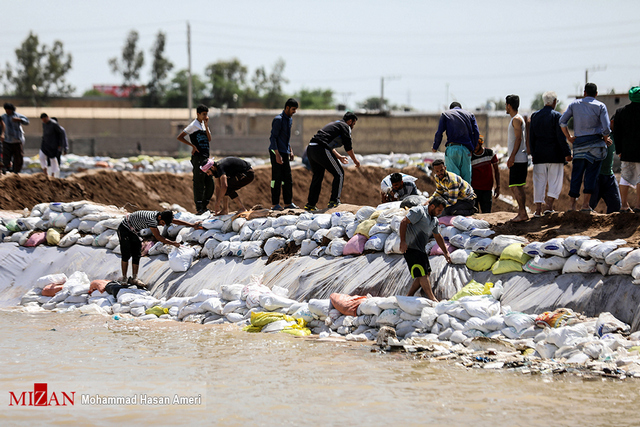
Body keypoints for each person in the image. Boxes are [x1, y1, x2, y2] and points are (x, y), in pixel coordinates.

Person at [560, 83, 611, 212]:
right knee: (591, 175)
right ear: (596, 94)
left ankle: (572, 205)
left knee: (576, 174)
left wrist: (569, 137)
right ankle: (585, 205)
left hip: (579, 146)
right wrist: (606, 139)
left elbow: (562, 121)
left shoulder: (574, 105)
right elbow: (606, 128)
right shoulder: (601, 106)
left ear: (584, 93)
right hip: (595, 144)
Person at [117, 210, 200, 288]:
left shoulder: (162, 216)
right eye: (163, 223)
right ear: (159, 218)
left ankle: (134, 279)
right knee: (126, 254)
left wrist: (192, 225)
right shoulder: (152, 220)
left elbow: (176, 221)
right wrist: (173, 243)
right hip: (125, 229)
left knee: (136, 253)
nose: (163, 225)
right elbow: (158, 237)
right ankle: (124, 278)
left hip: (134, 231)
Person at [304, 112, 361, 211]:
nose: (353, 127)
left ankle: (310, 205)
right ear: (350, 121)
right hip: (321, 149)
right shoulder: (345, 126)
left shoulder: (336, 124)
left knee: (317, 176)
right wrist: (355, 161)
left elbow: (326, 142)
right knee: (339, 173)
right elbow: (348, 146)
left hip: (311, 148)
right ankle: (334, 201)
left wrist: (339, 157)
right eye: (353, 124)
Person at [399, 196, 451, 302]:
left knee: (426, 273)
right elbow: (403, 222)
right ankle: (432, 299)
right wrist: (403, 241)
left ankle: (409, 297)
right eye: (439, 210)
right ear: (432, 206)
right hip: (411, 248)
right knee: (422, 274)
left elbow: (437, 236)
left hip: (421, 250)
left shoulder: (434, 220)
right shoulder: (419, 211)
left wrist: (446, 252)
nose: (440, 213)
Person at [529, 91, 572, 217]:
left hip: (539, 155)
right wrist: (567, 153)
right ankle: (549, 207)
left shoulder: (535, 116)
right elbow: (561, 137)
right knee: (555, 181)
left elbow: (531, 138)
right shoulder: (557, 116)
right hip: (555, 155)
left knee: (539, 182)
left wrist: (534, 154)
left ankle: (538, 210)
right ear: (554, 102)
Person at [177, 105, 213, 214]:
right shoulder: (193, 125)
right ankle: (199, 208)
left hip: (206, 157)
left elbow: (209, 139)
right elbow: (180, 137)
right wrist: (192, 146)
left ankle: (204, 205)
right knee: (199, 182)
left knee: (210, 183)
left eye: (206, 114)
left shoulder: (203, 125)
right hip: (198, 157)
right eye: (204, 114)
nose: (206, 116)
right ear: (198, 114)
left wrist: (206, 126)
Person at [432, 102, 480, 184]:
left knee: (453, 181)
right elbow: (476, 132)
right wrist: (472, 148)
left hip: (452, 149)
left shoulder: (446, 114)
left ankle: (455, 196)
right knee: (466, 182)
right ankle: (466, 196)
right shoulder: (470, 115)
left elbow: (439, 133)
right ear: (460, 108)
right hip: (466, 150)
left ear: (451, 108)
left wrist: (435, 147)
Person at [613, 86, 640, 212]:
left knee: (624, 177)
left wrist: (619, 151)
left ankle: (624, 206)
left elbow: (617, 133)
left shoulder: (620, 112)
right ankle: (638, 206)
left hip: (626, 151)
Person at [269, 98, 299, 210]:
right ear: (287, 108)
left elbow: (286, 138)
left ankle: (288, 203)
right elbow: (273, 138)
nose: (294, 112)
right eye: (293, 109)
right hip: (276, 151)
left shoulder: (289, 120)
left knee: (287, 178)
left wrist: (290, 150)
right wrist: (277, 154)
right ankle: (274, 204)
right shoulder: (278, 120)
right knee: (276, 178)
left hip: (285, 151)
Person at [505, 94, 529, 222]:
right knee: (518, 186)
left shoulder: (516, 119)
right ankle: (522, 212)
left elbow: (518, 138)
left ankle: (522, 212)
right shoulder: (517, 119)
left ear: (509, 105)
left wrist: (512, 157)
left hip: (518, 158)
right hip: (519, 158)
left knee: (515, 186)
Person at [588, 121, 621, 213]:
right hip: (596, 175)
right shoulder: (598, 133)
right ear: (612, 122)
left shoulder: (616, 137)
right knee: (589, 205)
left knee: (616, 205)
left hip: (609, 176)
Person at [471, 136, 500, 213]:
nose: (474, 147)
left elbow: (496, 170)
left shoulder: (489, 153)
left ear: (480, 144)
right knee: (475, 214)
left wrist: (498, 186)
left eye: (476, 145)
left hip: (487, 189)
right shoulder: (470, 156)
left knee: (487, 213)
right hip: (474, 190)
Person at [1, 103, 29, 173]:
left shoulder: (18, 116)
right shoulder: (3, 117)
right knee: (6, 157)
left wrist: (19, 120)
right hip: (7, 141)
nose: (7, 111)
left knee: (18, 158)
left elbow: (27, 122)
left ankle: (16, 172)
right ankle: (6, 171)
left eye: (8, 110)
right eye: (6, 110)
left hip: (17, 141)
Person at [39, 113, 65, 178]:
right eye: (43, 121)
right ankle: (45, 171)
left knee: (53, 160)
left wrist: (60, 145)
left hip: (53, 145)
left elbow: (60, 134)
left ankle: (53, 174)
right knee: (41, 157)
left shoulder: (54, 124)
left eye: (45, 120)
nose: (44, 122)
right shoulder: (44, 124)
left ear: (47, 117)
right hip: (45, 144)